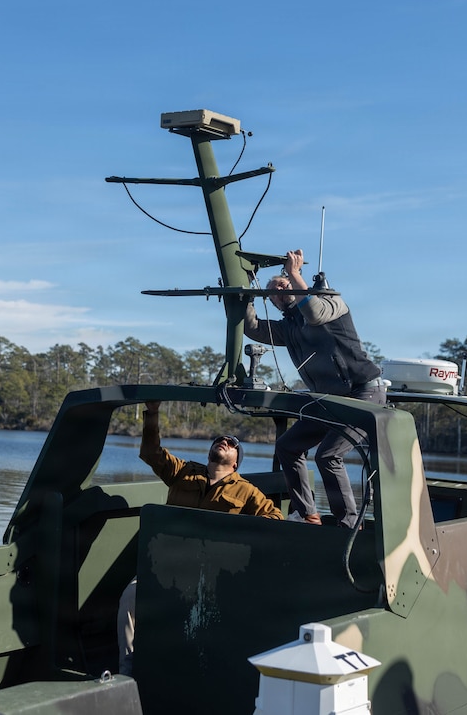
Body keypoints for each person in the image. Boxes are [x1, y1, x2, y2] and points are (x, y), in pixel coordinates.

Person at [118, 400, 282, 675]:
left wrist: (237, 531)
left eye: (230, 443)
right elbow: (150, 453)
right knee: (130, 597)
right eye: (219, 439)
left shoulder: (246, 491)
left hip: (211, 571)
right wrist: (153, 412)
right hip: (166, 562)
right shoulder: (183, 472)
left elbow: (275, 518)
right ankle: (126, 670)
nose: (224, 442)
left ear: (236, 461)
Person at [244, 249, 385, 528]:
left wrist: (294, 274)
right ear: (271, 302)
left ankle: (347, 524)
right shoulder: (289, 328)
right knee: (288, 446)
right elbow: (253, 327)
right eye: (272, 292)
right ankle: (308, 514)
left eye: (283, 285)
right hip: (329, 400)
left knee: (328, 455)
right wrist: (248, 289)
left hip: (362, 392)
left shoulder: (330, 301)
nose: (279, 291)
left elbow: (315, 314)